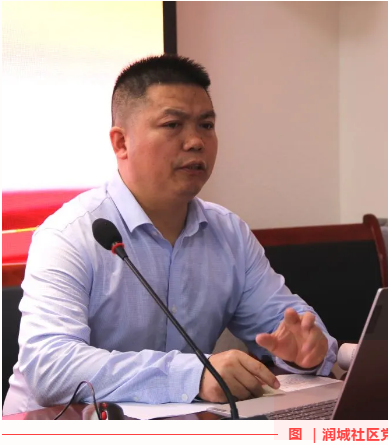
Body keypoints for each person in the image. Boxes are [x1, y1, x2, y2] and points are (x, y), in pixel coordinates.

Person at [3, 54, 337, 415]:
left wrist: (307, 350)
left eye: (206, 125)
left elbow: (287, 325)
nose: (195, 142)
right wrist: (191, 375)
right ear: (121, 143)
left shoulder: (229, 233)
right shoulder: (69, 235)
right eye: (173, 125)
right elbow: (50, 366)